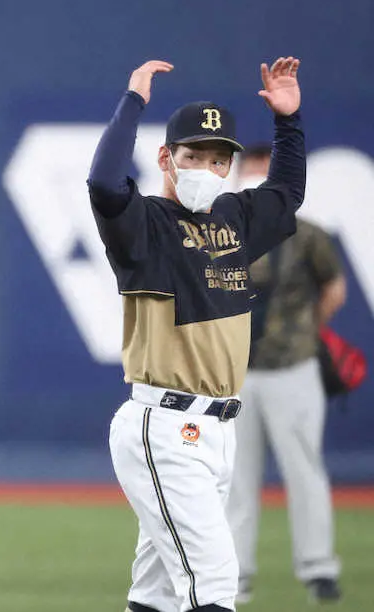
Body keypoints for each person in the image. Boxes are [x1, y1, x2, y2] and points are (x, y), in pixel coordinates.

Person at [90, 57, 305, 612]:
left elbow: (285, 194)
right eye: (192, 156)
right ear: (166, 158)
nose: (206, 168)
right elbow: (104, 182)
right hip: (166, 427)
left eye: (218, 159)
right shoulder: (144, 226)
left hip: (217, 430)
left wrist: (288, 122)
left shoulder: (234, 218)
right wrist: (134, 100)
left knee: (159, 594)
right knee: (213, 580)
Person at [225, 145, 345, 605]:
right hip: (234, 372)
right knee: (234, 477)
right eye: (250, 174)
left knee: (304, 469)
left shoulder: (306, 233)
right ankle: (233, 573)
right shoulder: (223, 233)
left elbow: (334, 287)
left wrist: (306, 331)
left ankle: (318, 568)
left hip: (293, 366)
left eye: (264, 174)